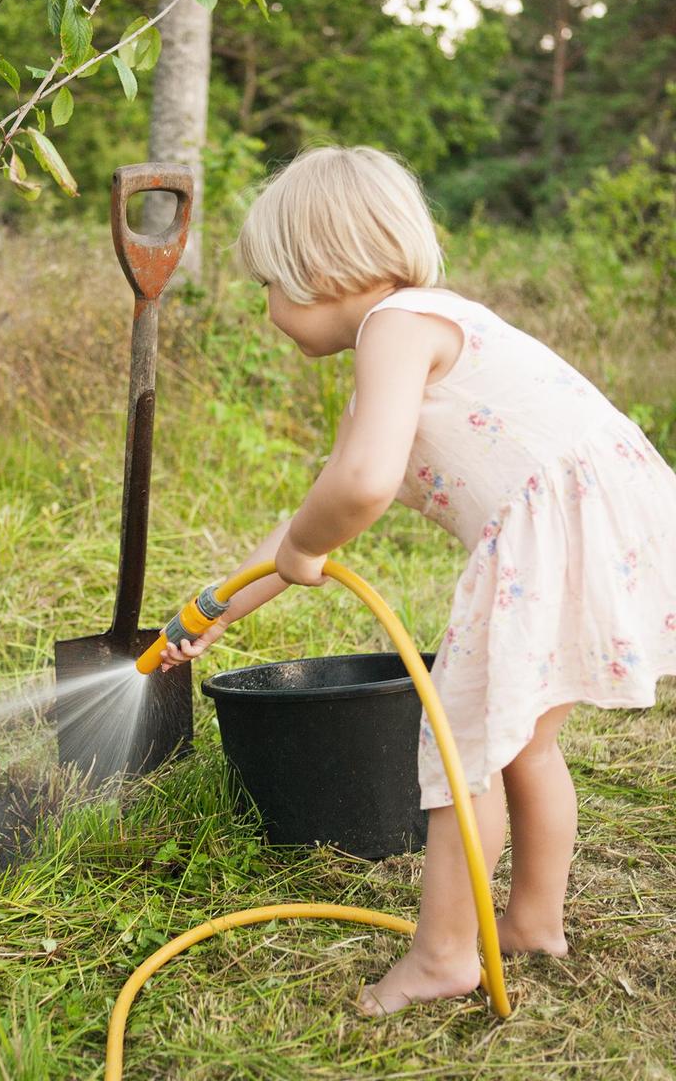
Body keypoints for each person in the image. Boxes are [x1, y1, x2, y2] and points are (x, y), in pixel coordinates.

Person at [158, 145, 676, 1015]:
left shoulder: (395, 329)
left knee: (463, 747)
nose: (267, 309)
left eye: (269, 287)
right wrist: (219, 607)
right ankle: (535, 922)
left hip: (551, 537)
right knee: (522, 744)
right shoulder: (428, 334)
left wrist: (302, 552)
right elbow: (308, 521)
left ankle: (442, 957)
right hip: (614, 516)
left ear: (320, 270)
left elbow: (355, 492)